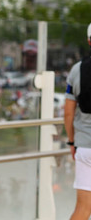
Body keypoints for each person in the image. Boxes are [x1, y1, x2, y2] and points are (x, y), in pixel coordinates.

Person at [64, 23, 91, 220]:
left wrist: (72, 142)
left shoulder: (77, 70)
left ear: (89, 41)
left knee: (83, 208)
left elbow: (68, 114)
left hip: (85, 147)